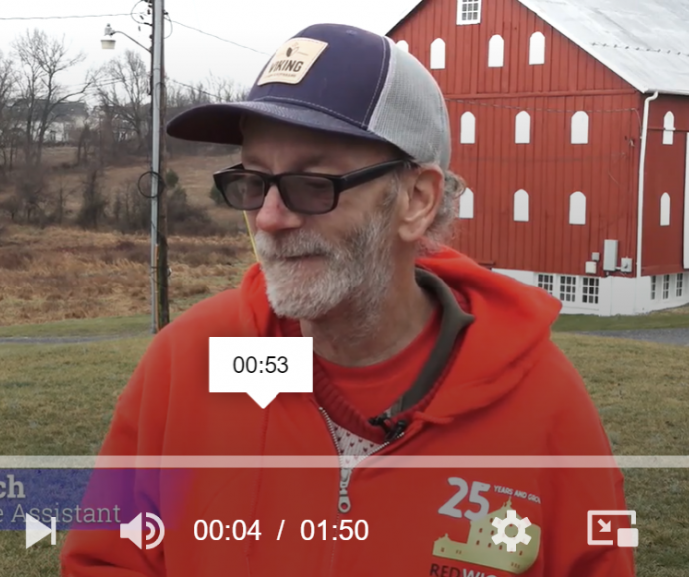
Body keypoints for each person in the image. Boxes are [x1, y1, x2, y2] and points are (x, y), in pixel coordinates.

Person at [61, 23, 634, 577]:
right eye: (254, 181)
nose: (268, 218)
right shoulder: (188, 363)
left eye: (315, 184)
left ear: (416, 199)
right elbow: (109, 559)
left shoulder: (544, 411)